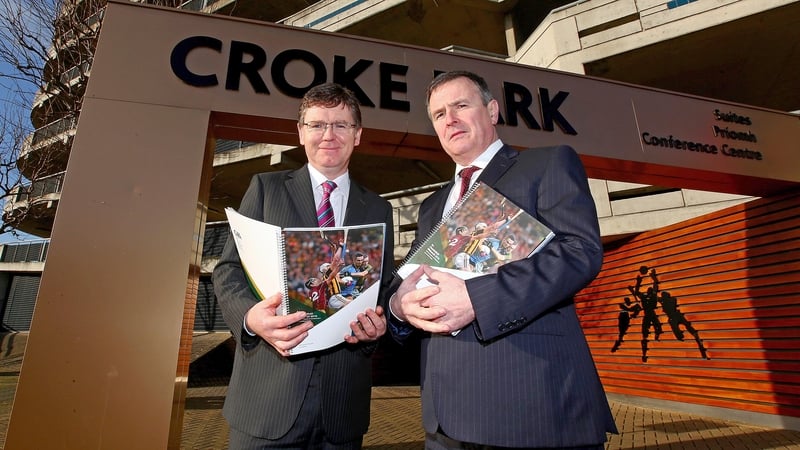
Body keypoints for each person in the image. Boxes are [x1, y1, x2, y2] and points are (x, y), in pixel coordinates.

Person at [388, 71, 617, 449]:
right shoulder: (432, 206)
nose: (450, 119)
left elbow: (580, 250)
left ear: (492, 110)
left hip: (530, 405)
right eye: (439, 114)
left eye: (461, 105)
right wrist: (399, 305)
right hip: (443, 418)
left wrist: (477, 299)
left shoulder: (546, 165)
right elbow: (413, 279)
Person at [213, 82, 394, 449]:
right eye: (317, 124)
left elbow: (383, 287)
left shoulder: (378, 209)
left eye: (341, 125)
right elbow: (228, 270)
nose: (329, 135)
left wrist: (379, 325)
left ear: (357, 135)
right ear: (301, 133)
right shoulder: (266, 189)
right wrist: (250, 319)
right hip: (267, 399)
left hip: (342, 407)